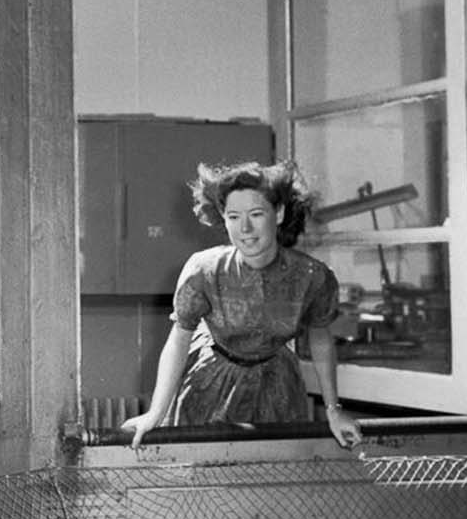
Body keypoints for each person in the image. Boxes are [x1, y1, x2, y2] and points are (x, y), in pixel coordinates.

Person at [124, 159, 362, 449]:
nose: (245, 228)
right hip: (210, 381)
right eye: (233, 216)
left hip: (277, 386)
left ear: (279, 213)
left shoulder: (312, 276)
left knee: (271, 477)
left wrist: (333, 412)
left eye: (256, 214)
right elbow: (178, 341)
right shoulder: (204, 270)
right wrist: (155, 414)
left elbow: (321, 340)